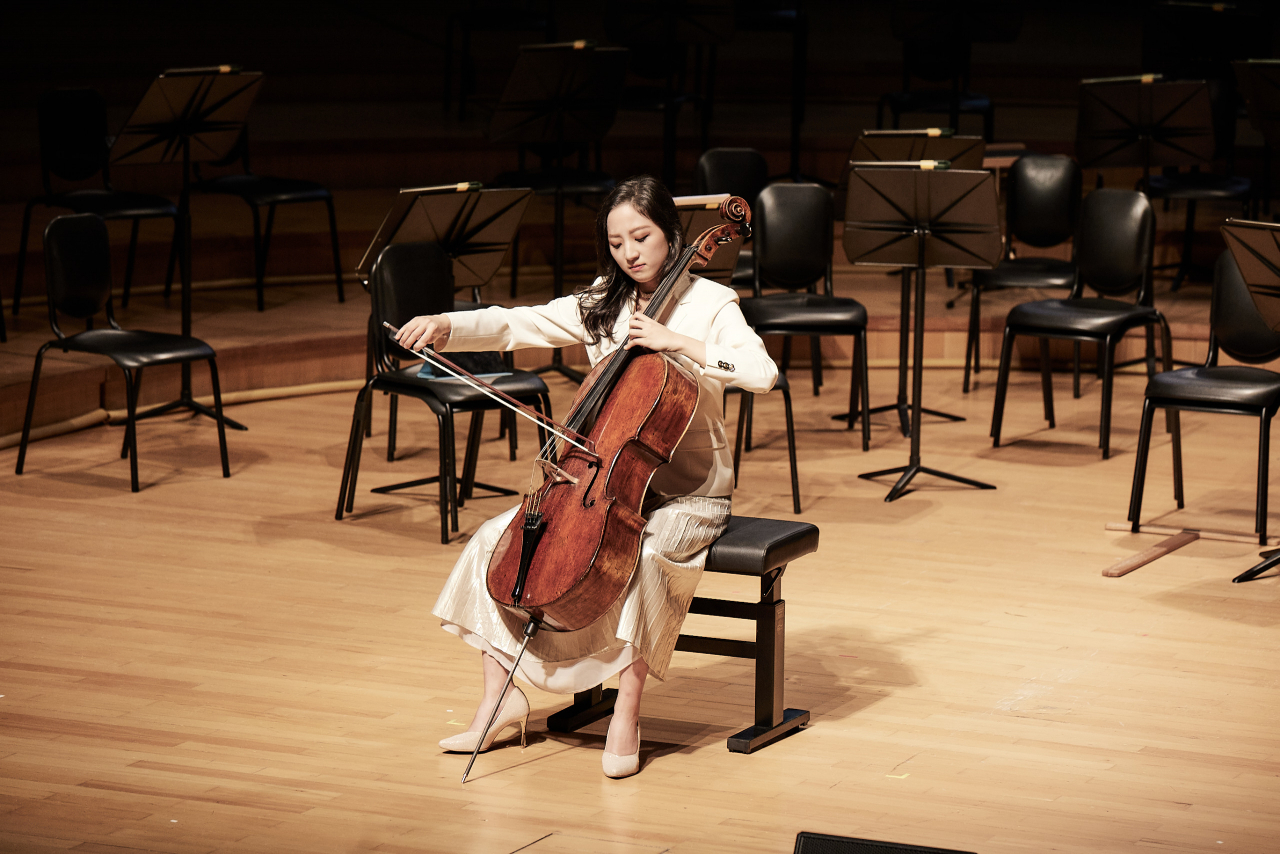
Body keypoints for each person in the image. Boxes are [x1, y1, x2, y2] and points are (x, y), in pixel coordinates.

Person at [394, 175, 777, 778]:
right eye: (618, 241)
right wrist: (448, 324)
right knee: (498, 538)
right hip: (599, 486)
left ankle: (627, 710)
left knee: (647, 558)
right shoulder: (605, 300)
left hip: (688, 494)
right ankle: (500, 699)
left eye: (642, 236)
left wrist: (679, 342)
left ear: (671, 236)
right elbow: (520, 323)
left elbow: (762, 371)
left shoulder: (710, 303)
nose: (630, 252)